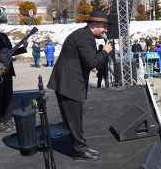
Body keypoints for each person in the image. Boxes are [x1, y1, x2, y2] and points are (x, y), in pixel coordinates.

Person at [47, 11, 112, 161]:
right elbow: (91, 62)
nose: (106, 30)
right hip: (69, 84)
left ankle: (81, 146)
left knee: (75, 117)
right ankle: (79, 150)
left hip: (70, 82)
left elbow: (84, 60)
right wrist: (105, 52)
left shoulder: (85, 35)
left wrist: (92, 64)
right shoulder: (84, 37)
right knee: (73, 118)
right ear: (93, 25)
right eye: (104, 27)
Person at [0, 11, 28, 132]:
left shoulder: (3, 36)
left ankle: (6, 120)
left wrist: (23, 47)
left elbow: (10, 52)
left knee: (8, 97)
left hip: (7, 71)